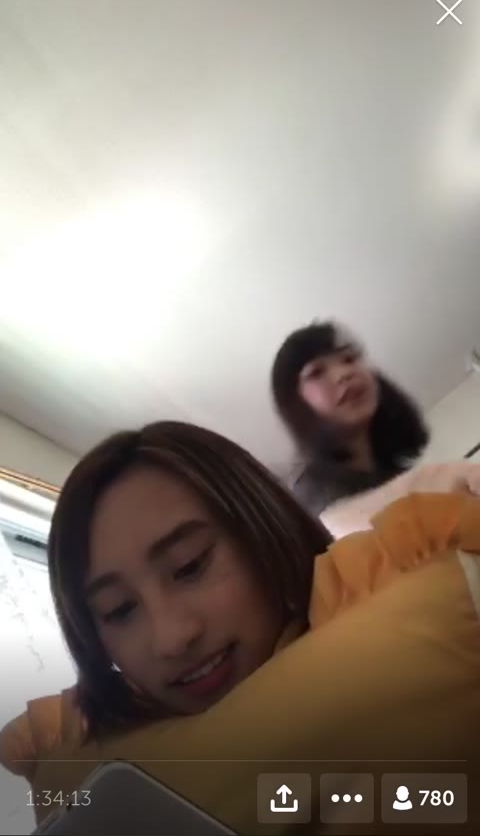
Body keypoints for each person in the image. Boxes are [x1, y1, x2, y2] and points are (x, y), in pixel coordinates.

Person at [2, 421, 480, 835]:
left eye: (190, 566)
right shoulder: (82, 759)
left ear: (260, 529)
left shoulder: (400, 579)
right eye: (120, 610)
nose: (172, 637)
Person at [271, 320, 480, 537]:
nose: (343, 373)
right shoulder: (308, 497)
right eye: (316, 372)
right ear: (295, 403)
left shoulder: (392, 475)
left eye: (349, 359)